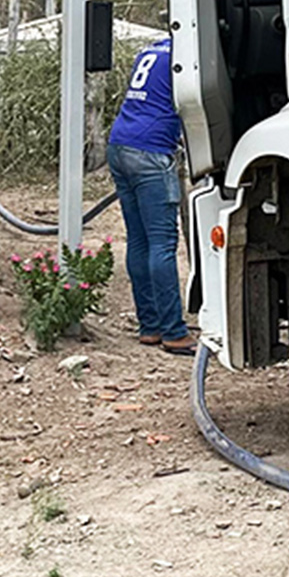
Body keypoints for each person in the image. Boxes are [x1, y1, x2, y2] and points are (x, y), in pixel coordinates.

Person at [105, 35, 192, 353]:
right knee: (162, 243)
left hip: (120, 144)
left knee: (138, 239)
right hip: (151, 152)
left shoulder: (151, 51)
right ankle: (174, 332)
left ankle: (150, 326)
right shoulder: (184, 55)